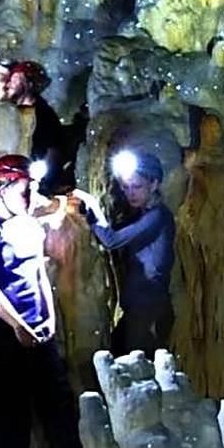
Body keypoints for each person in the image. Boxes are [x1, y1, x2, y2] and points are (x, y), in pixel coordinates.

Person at [0, 154, 85, 448]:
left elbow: (39, 275)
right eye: (22, 189)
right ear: (2, 189)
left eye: (31, 189)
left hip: (38, 327)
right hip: (3, 328)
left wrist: (49, 318)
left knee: (58, 402)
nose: (29, 196)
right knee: (9, 409)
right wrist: (18, 327)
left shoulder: (29, 226)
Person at [76, 149, 176, 356]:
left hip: (148, 308)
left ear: (154, 184)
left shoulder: (157, 216)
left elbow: (112, 240)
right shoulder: (143, 215)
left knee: (133, 363)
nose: (131, 193)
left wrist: (92, 210)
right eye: (126, 187)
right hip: (138, 307)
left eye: (137, 187)